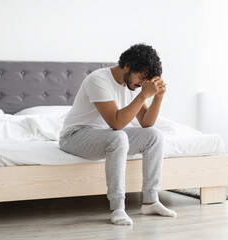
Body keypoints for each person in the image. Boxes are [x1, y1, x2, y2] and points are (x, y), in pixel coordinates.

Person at [59, 43, 176, 225]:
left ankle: (151, 201)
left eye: (146, 81)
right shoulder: (98, 80)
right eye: (141, 77)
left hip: (105, 135)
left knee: (155, 136)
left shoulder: (131, 86)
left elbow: (146, 122)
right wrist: (144, 95)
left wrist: (158, 96)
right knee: (119, 136)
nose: (141, 84)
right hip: (75, 136)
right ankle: (118, 208)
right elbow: (117, 123)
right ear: (127, 66)